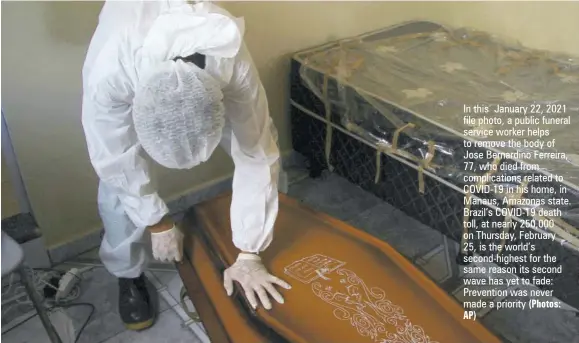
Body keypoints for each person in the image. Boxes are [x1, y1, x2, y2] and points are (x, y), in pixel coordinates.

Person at [81, 0, 291, 331]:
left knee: (263, 144)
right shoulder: (110, 75)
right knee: (115, 186)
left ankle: (262, 235)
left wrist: (249, 253)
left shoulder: (229, 58)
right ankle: (128, 274)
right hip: (130, 57)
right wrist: (156, 221)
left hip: (207, 78)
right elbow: (115, 160)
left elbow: (257, 153)